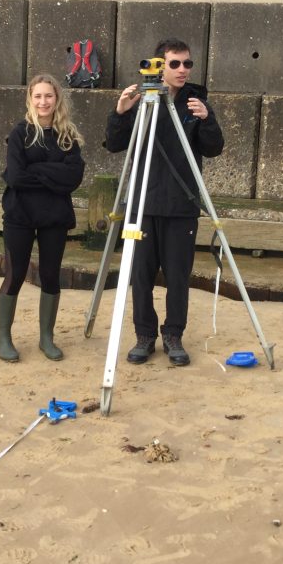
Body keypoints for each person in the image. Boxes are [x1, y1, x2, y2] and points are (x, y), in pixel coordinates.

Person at [105, 38, 224, 367]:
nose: (183, 70)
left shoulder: (196, 102)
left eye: (187, 63)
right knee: (140, 276)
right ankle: (144, 336)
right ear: (159, 65)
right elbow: (115, 144)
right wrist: (120, 113)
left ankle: (173, 334)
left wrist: (207, 119)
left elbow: (213, 149)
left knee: (177, 277)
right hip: (143, 205)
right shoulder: (143, 100)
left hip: (181, 207)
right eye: (175, 64)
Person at [0, 74, 85, 362]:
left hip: (54, 217)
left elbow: (73, 178)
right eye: (38, 96)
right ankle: (4, 339)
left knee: (50, 275)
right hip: (19, 215)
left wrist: (36, 171)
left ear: (56, 99)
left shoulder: (67, 137)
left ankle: (46, 337)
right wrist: (51, 173)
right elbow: (17, 178)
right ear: (30, 99)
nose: (43, 101)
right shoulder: (20, 133)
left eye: (48, 96)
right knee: (15, 275)